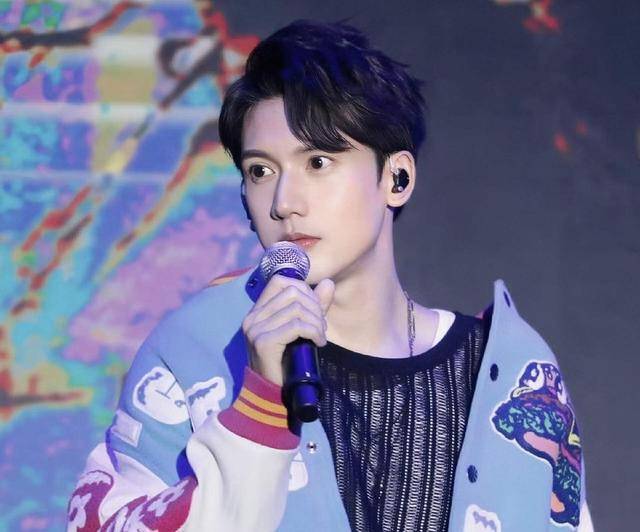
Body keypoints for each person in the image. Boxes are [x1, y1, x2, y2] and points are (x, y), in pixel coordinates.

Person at [67, 19, 594, 532]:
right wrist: (259, 404)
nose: (284, 202)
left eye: (317, 162)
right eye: (260, 171)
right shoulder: (195, 350)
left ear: (397, 177)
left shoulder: (512, 372)